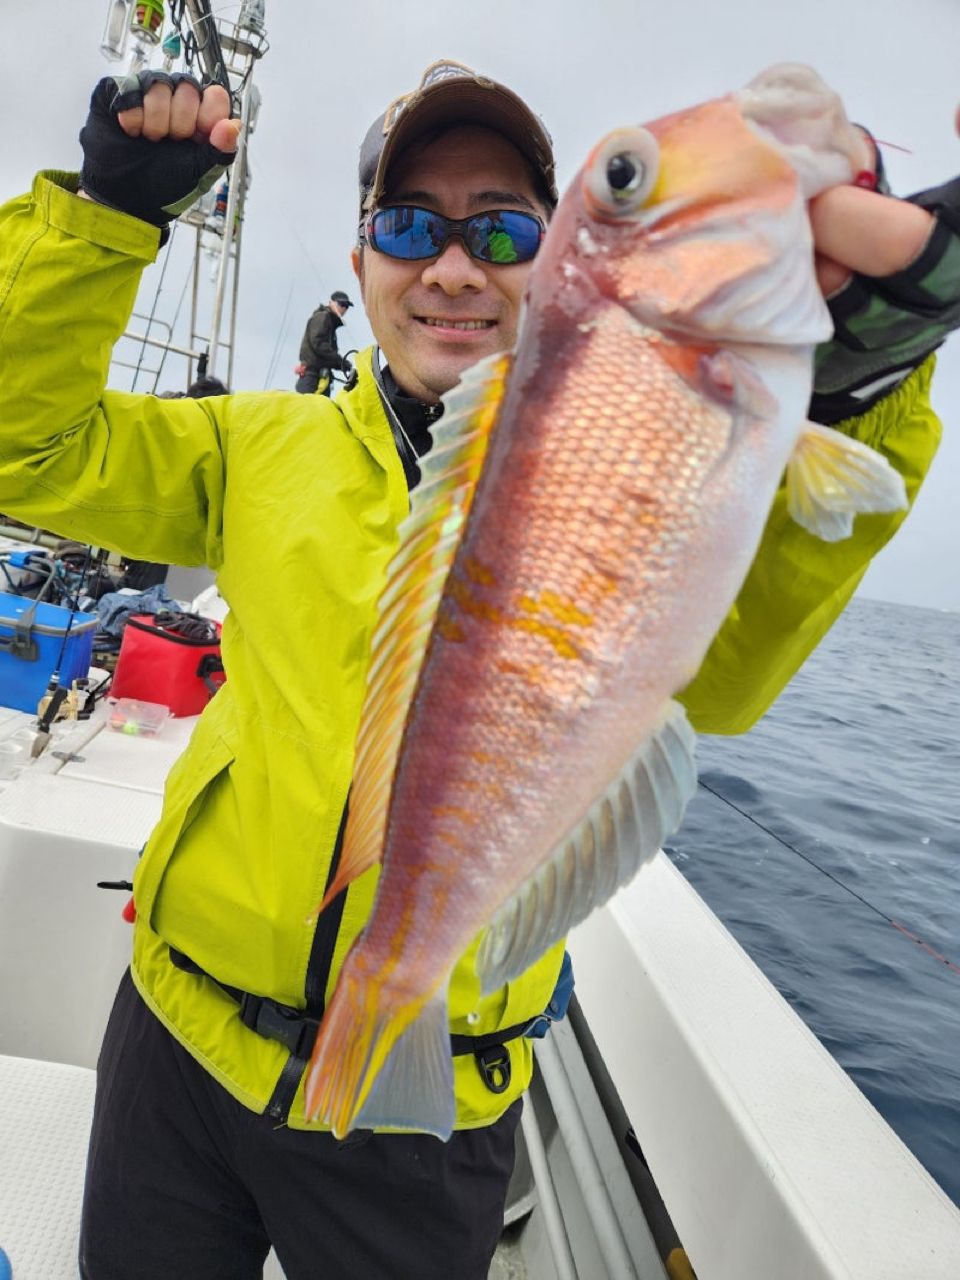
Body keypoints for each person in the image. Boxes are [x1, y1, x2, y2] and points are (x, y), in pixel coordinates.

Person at [0, 57, 956, 1280]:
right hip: (177, 1033)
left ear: (551, 264)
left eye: (501, 229)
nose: (451, 266)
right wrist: (106, 215)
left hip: (431, 1090)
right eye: (408, 226)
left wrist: (863, 387)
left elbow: (717, 690)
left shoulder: (656, 421)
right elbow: (25, 449)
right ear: (361, 264)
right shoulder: (255, 448)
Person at [294, 289, 354, 394]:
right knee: (308, 409)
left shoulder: (331, 324)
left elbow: (328, 354)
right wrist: (342, 362)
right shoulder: (323, 316)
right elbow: (318, 344)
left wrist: (346, 366)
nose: (344, 308)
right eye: (341, 304)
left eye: (347, 306)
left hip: (322, 378)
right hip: (312, 377)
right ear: (331, 302)